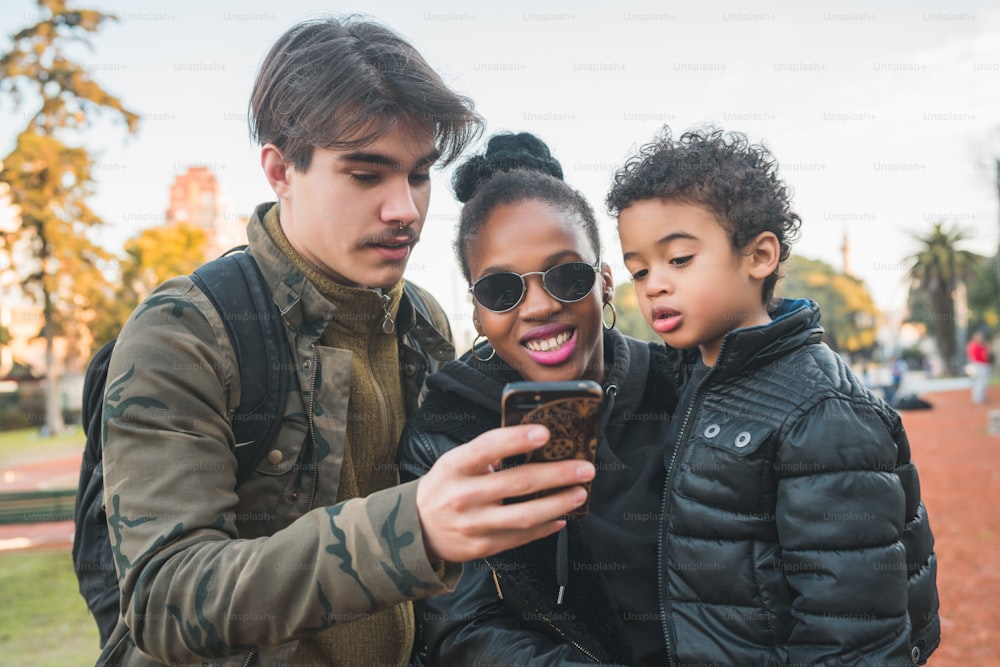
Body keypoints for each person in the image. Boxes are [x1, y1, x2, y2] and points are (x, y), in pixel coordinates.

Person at [98, 18, 594, 667]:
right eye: (366, 175)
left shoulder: (423, 323)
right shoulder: (188, 331)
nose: (406, 209)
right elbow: (167, 599)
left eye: (419, 174)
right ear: (280, 170)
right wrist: (412, 528)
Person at [608, 125, 940, 665]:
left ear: (759, 256)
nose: (653, 285)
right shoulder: (695, 376)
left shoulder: (823, 411)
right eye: (639, 269)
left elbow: (852, 633)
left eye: (680, 260)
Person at [397, 132, 693, 664]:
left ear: (605, 282)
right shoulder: (445, 432)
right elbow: (463, 629)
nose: (537, 307)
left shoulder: (682, 386)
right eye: (501, 290)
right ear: (478, 313)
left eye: (566, 276)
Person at [967, 330, 991, 404]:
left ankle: (981, 397)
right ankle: (978, 398)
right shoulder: (973, 345)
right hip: (978, 365)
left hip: (984, 365)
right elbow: (973, 356)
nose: (981, 338)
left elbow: (987, 355)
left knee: (984, 382)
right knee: (979, 382)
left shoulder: (983, 345)